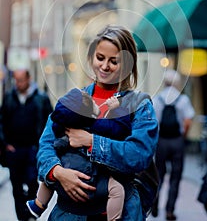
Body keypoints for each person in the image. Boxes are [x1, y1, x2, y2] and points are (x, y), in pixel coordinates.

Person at [36, 24, 159, 221]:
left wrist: (92, 141)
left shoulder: (139, 105)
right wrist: (57, 172)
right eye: (100, 58)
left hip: (121, 212)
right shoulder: (75, 98)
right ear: (92, 56)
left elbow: (139, 154)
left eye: (114, 61)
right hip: (70, 213)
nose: (104, 66)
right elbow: (46, 143)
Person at [26, 90, 131, 221]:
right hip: (91, 178)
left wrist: (56, 170)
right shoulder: (97, 124)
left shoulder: (64, 122)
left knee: (49, 180)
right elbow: (120, 129)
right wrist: (118, 111)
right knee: (117, 190)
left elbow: (134, 154)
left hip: (69, 167)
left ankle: (38, 204)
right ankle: (113, 217)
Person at [0, 69, 53, 221]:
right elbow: (2, 121)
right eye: (16, 80)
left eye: (21, 80)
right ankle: (22, 217)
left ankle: (30, 215)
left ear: (28, 78)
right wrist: (5, 144)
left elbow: (50, 122)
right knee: (16, 187)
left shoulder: (41, 98)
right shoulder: (10, 97)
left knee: (32, 183)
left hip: (33, 149)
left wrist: (44, 146)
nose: (19, 84)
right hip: (14, 150)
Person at [151, 69, 195, 221]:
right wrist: (183, 135)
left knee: (159, 175)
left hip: (161, 141)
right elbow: (188, 120)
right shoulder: (183, 100)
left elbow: (153, 122)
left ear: (165, 82)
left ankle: (154, 205)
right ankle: (170, 210)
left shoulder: (158, 99)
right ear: (176, 83)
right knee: (175, 177)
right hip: (177, 141)